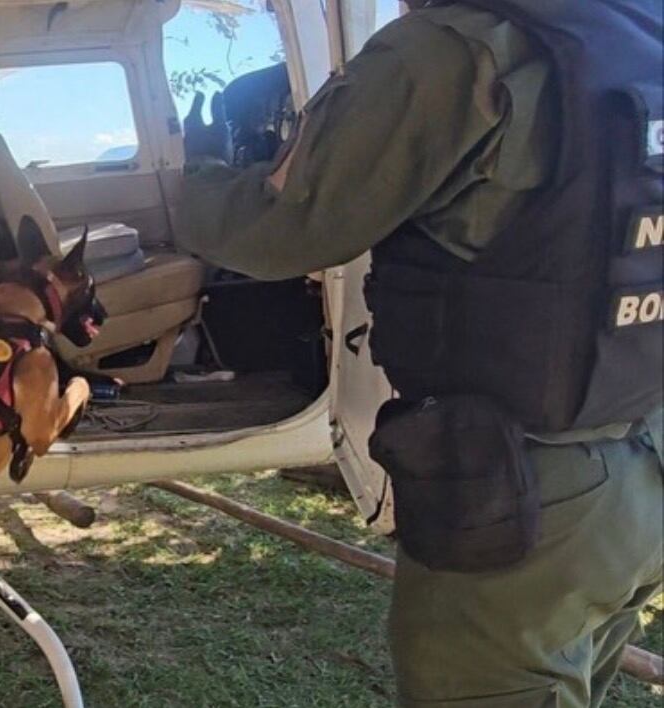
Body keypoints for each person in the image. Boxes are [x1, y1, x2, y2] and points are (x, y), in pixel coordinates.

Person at [176, 0, 663, 705]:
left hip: (523, 490)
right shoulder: (637, 34)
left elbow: (279, 231)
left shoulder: (451, 52)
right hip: (637, 470)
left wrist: (194, 181)